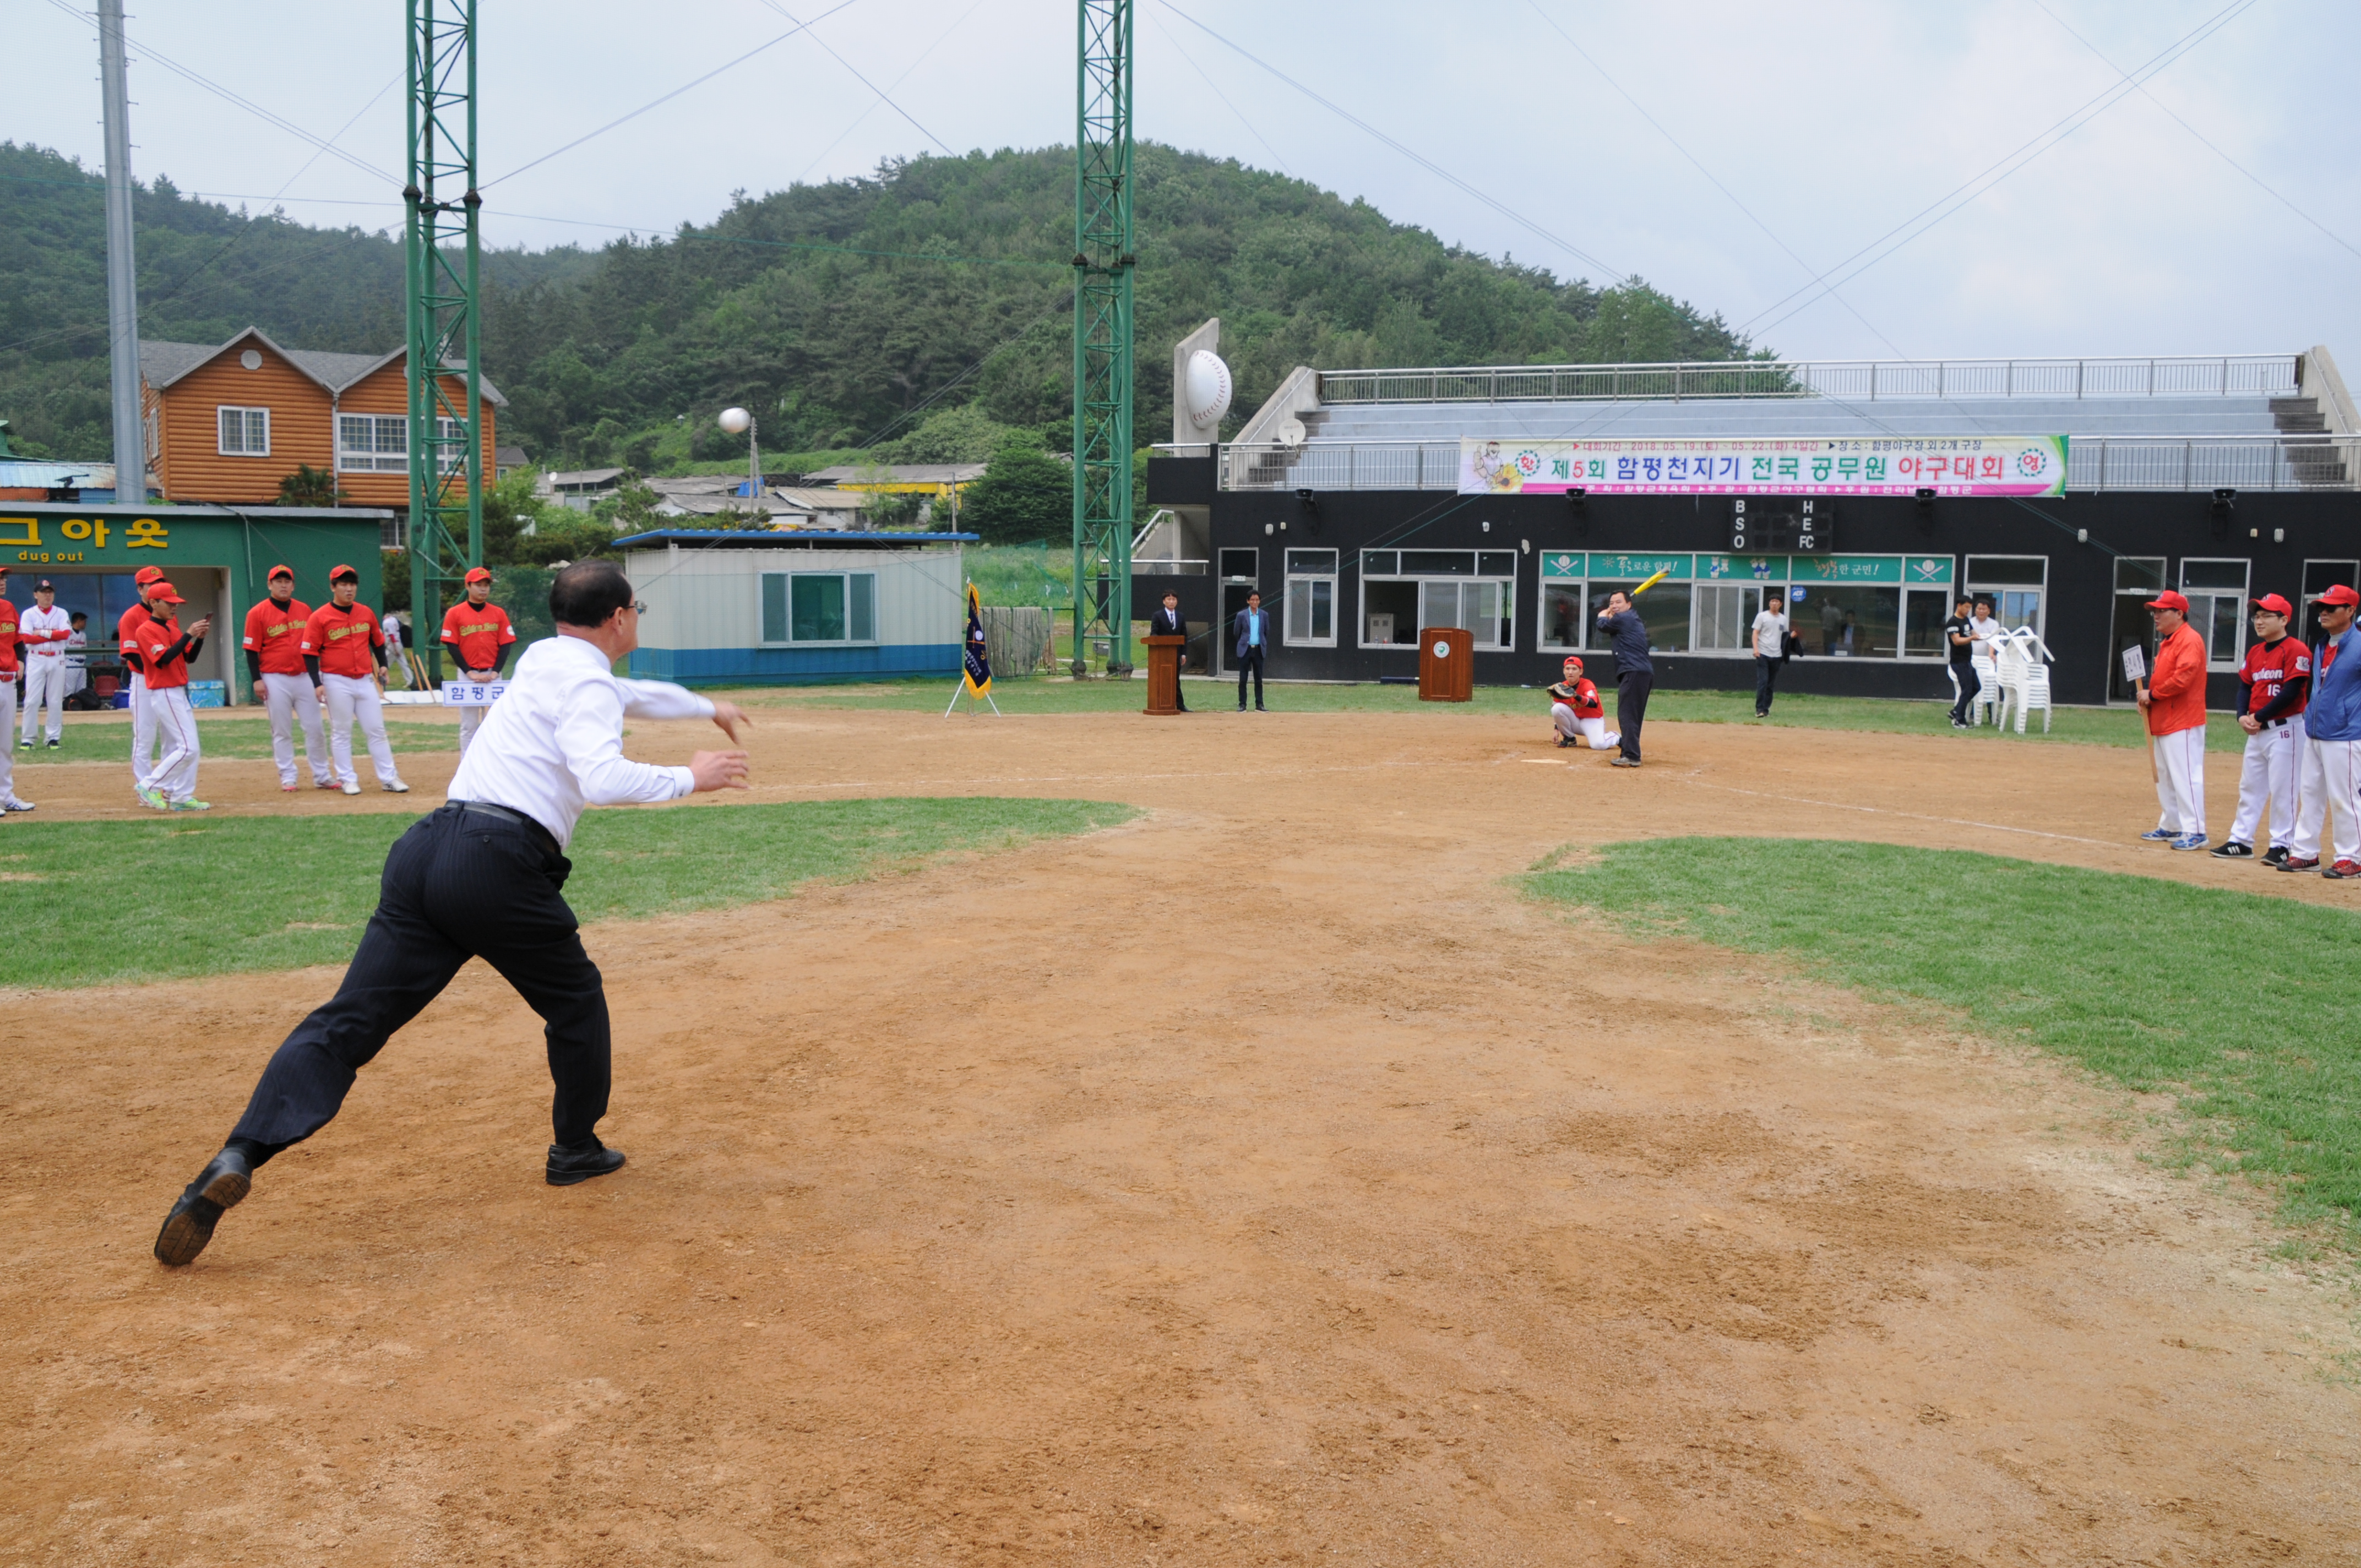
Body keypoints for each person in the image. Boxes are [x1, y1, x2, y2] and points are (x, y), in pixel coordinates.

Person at [153, 560, 754, 1267]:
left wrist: (698, 703)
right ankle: (576, 1148)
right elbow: (602, 774)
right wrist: (693, 776)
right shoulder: (586, 679)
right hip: (497, 864)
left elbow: (626, 694)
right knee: (576, 1003)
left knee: (348, 1023)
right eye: (637, 614)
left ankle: (237, 1153)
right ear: (620, 616)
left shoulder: (541, 659)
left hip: (426, 851)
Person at [2215, 593, 2309, 864]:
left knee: (2284, 790)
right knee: (2250, 787)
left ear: (2284, 619)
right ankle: (2241, 841)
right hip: (2258, 731)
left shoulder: (2296, 649)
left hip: (2286, 730)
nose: (2259, 621)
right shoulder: (2256, 652)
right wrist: (2242, 715)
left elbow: (2292, 690)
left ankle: (2282, 845)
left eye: (2267, 615)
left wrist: (2259, 716)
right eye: (2257, 616)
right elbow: (2246, 686)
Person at [301, 565, 408, 797]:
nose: (349, 589)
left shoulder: (365, 613)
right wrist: (316, 683)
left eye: (352, 584)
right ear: (333, 587)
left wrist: (382, 664)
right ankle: (348, 779)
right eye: (343, 584)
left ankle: (389, 778)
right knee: (341, 731)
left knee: (377, 730)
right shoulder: (319, 617)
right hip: (335, 679)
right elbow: (309, 652)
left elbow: (377, 641)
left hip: (364, 678)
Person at [2283, 583, 2361, 877]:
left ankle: (2351, 857)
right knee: (2311, 793)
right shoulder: (2321, 644)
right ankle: (2305, 853)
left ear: (2351, 610)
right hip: (2315, 730)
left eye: (2332, 608)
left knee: (2345, 797)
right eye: (2321, 608)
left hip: (2347, 733)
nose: (2324, 612)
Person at [123, 580, 212, 812]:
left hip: (178, 692)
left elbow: (189, 658)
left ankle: (181, 796)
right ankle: (148, 785)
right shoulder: (145, 630)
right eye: (170, 603)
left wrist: (199, 638)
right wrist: (188, 634)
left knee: (193, 748)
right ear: (154, 602)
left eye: (176, 603)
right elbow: (163, 659)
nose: (175, 607)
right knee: (187, 748)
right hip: (163, 692)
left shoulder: (172, 628)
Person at [243, 565, 331, 793]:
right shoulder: (257, 613)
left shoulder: (304, 610)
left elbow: (314, 645)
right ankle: (288, 776)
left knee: (315, 728)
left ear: (293, 585)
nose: (283, 585)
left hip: (303, 676)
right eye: (278, 581)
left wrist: (317, 679)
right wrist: (257, 679)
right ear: (269, 584)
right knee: (282, 730)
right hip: (274, 677)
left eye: (287, 581)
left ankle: (322, 775)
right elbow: (251, 649)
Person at [2135, 589, 2208, 851]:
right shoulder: (2170, 640)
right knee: (2165, 775)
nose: (2155, 615)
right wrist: (2147, 699)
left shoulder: (2189, 639)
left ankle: (2196, 830)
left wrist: (2152, 694)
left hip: (2183, 720)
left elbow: (2184, 677)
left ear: (2179, 613)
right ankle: (2172, 824)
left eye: (2161, 611)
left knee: (2186, 776)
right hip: (2165, 718)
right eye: (2154, 611)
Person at [442, 567, 520, 750]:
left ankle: (493, 767)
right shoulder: (455, 613)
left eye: (486, 585)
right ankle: (466, 769)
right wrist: (469, 672)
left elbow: (505, 644)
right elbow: (452, 645)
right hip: (467, 675)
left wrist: (495, 672)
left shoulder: (498, 613)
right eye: (478, 585)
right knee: (468, 726)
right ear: (468, 586)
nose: (483, 589)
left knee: (495, 724)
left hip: (493, 675)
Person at [119, 565, 169, 799]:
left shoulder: (169, 612)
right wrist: (156, 670)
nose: (156, 588)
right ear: (140, 589)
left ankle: (169, 787)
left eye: (159, 583)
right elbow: (130, 654)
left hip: (168, 682)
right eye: (151, 585)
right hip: (143, 681)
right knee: (145, 736)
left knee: (172, 736)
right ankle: (145, 790)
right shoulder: (131, 616)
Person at [1594, 589, 1652, 767]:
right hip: (1640, 672)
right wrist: (1610, 614)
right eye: (1611, 603)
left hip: (1634, 671)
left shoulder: (1624, 618)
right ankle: (1630, 752)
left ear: (1629, 604)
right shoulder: (1630, 619)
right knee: (1632, 716)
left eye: (1619, 602)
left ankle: (1632, 755)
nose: (1614, 606)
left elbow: (1603, 626)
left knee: (1627, 714)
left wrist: (1602, 614)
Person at [0, 567, 37, 813]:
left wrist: (21, 660)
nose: (2, 581)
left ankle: (6, 795)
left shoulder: (8, 608)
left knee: (4, 743)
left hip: (8, 682)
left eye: (3, 577)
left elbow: (18, 642)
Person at [19, 579, 72, 749]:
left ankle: (53, 738)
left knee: (55, 700)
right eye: (44, 592)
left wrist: (41, 633)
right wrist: (53, 634)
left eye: (50, 592)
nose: (47, 595)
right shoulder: (29, 614)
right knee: (32, 700)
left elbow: (64, 635)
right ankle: (28, 738)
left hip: (57, 657)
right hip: (36, 658)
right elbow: (27, 638)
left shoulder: (61, 613)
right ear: (36, 595)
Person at [1547, 655, 1618, 750]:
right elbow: (1557, 711)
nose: (1570, 672)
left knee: (1598, 745)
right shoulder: (1562, 688)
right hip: (1575, 722)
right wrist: (1557, 729)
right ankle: (1570, 739)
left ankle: (1615, 737)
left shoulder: (1587, 684)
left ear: (1581, 672)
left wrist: (1576, 696)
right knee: (1557, 708)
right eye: (1568, 669)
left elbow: (1593, 703)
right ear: (1564, 671)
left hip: (1592, 721)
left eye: (1574, 669)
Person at [1750, 592, 1789, 718]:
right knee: (1763, 681)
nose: (1775, 603)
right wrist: (1756, 649)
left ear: (1781, 604)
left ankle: (1766, 710)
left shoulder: (1783, 619)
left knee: (1770, 684)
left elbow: (1785, 637)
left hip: (1777, 655)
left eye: (1777, 602)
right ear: (1769, 603)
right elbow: (1755, 633)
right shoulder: (1762, 616)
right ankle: (1759, 709)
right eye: (1772, 601)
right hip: (1763, 653)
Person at [1150, 590, 1189, 712]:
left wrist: (1183, 653)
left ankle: (1180, 705)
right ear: (1164, 601)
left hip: (1176, 653)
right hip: (1161, 655)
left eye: (1174, 600)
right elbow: (1154, 633)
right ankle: (1161, 704)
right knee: (1162, 679)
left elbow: (1184, 636)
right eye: (1169, 599)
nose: (1171, 602)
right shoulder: (1157, 615)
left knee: (1175, 679)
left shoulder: (1180, 616)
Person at [1943, 595, 1979, 728]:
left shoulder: (1966, 620)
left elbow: (1973, 633)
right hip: (1959, 662)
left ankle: (1956, 711)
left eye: (1970, 607)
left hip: (1968, 661)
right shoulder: (1953, 622)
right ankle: (1959, 720)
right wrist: (1972, 639)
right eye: (1967, 607)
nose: (1969, 610)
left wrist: (1978, 637)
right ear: (1959, 606)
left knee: (1976, 687)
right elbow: (1957, 641)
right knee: (1966, 689)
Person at [1233, 590, 1270, 712]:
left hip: (1259, 649)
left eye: (1257, 600)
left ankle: (1259, 704)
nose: (1255, 602)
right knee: (1243, 679)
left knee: (1258, 679)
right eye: (1252, 600)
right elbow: (1236, 632)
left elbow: (1266, 632)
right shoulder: (1241, 615)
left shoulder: (1264, 615)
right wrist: (1244, 643)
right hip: (1245, 650)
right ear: (1248, 601)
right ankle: (1242, 704)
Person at [63, 612, 89, 702]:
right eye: (84, 621)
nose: (85, 624)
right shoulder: (68, 633)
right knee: (70, 688)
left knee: (82, 688)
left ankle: (79, 708)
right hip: (71, 662)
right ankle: (67, 705)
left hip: (82, 663)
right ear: (78, 621)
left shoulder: (83, 635)